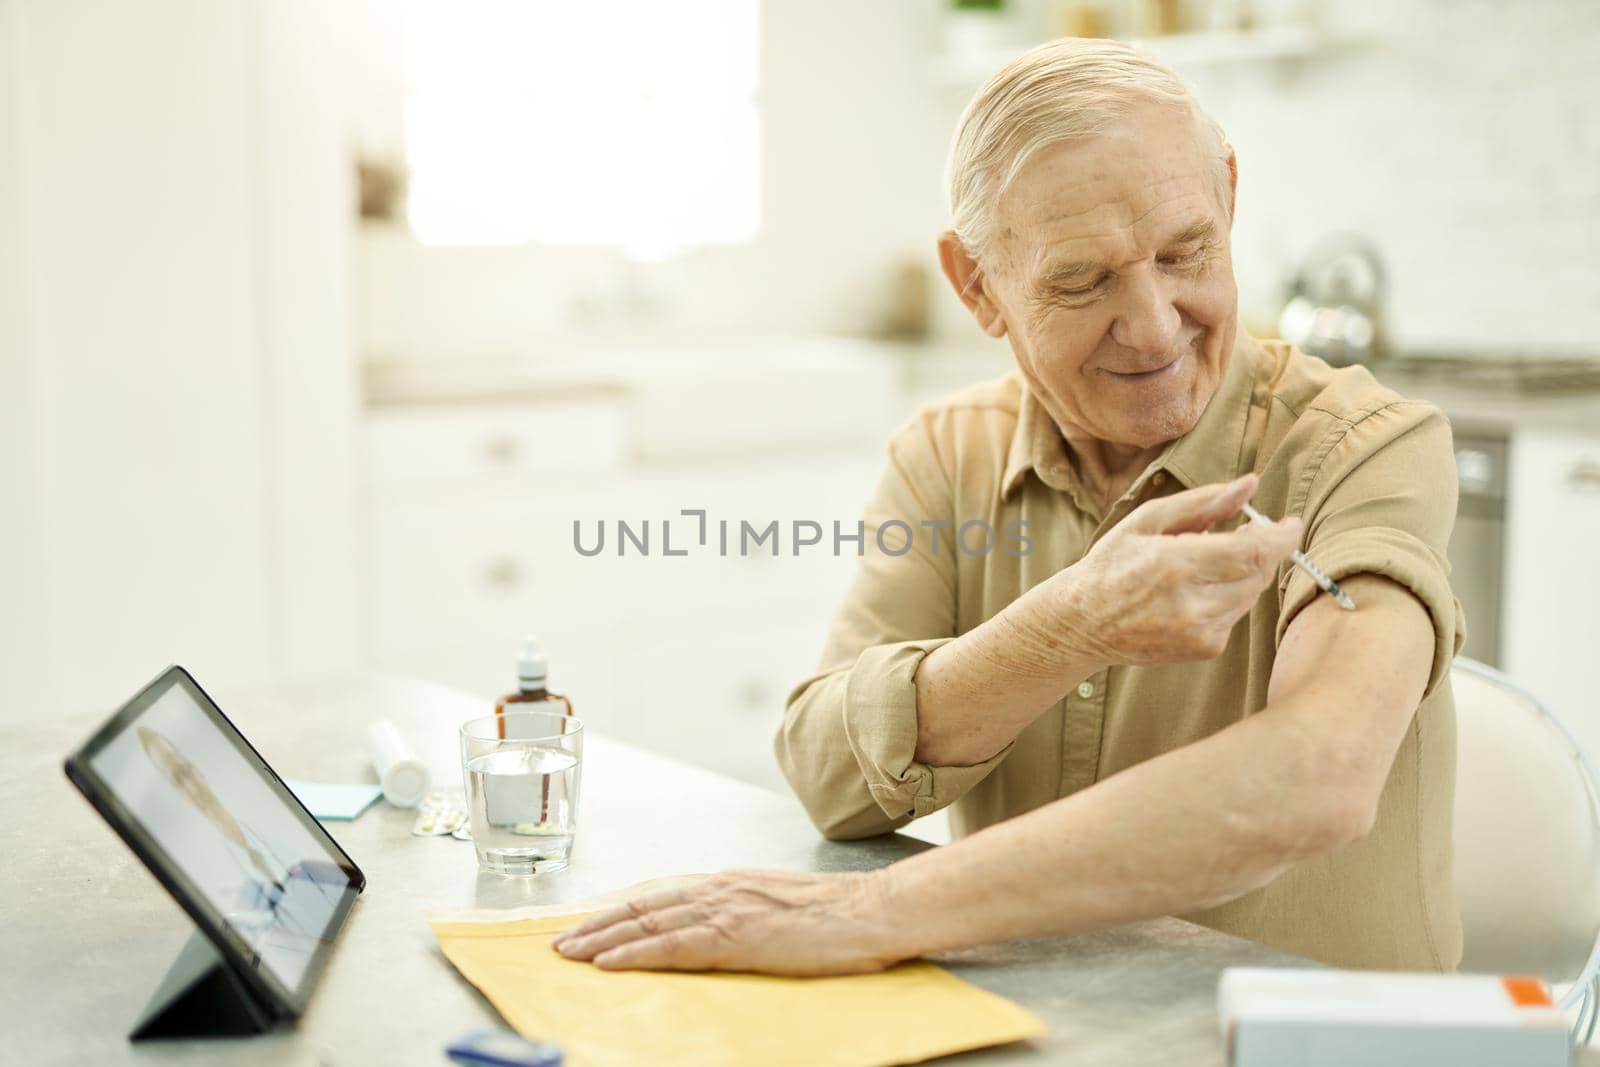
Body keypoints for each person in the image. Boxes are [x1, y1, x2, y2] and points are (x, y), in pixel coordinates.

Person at [553, 38, 1465, 977]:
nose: (1154, 325)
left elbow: (1317, 776)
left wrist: (873, 911)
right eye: (1082, 280)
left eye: (1184, 250)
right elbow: (829, 774)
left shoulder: (1370, 445)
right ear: (978, 287)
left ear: (1228, 198)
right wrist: (1067, 623)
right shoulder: (950, 456)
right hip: (1045, 1029)